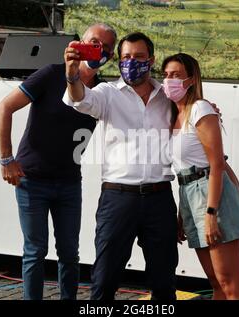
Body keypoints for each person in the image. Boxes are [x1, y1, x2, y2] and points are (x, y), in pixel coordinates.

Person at [0, 23, 117, 300]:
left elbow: (138, 105)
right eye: (94, 42)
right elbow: (4, 107)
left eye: (106, 48)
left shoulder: (103, 93)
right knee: (35, 252)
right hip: (31, 179)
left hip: (69, 183)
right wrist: (6, 159)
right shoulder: (50, 74)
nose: (100, 50)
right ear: (79, 42)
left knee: (69, 254)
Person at [64, 32, 179, 300]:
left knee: (164, 282)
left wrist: (211, 110)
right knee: (104, 280)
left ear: (151, 60)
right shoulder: (107, 93)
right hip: (117, 198)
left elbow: (194, 113)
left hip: (160, 198)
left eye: (139, 57)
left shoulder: (168, 97)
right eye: (126, 57)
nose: (131, 62)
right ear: (118, 61)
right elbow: (80, 99)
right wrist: (72, 74)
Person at [161, 52, 239, 300]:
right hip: (189, 194)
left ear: (191, 79)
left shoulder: (200, 108)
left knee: (229, 283)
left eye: (176, 75)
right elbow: (183, 169)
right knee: (215, 283)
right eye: (166, 75)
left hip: (211, 196)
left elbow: (216, 164)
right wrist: (182, 214)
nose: (169, 80)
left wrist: (211, 214)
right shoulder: (172, 116)